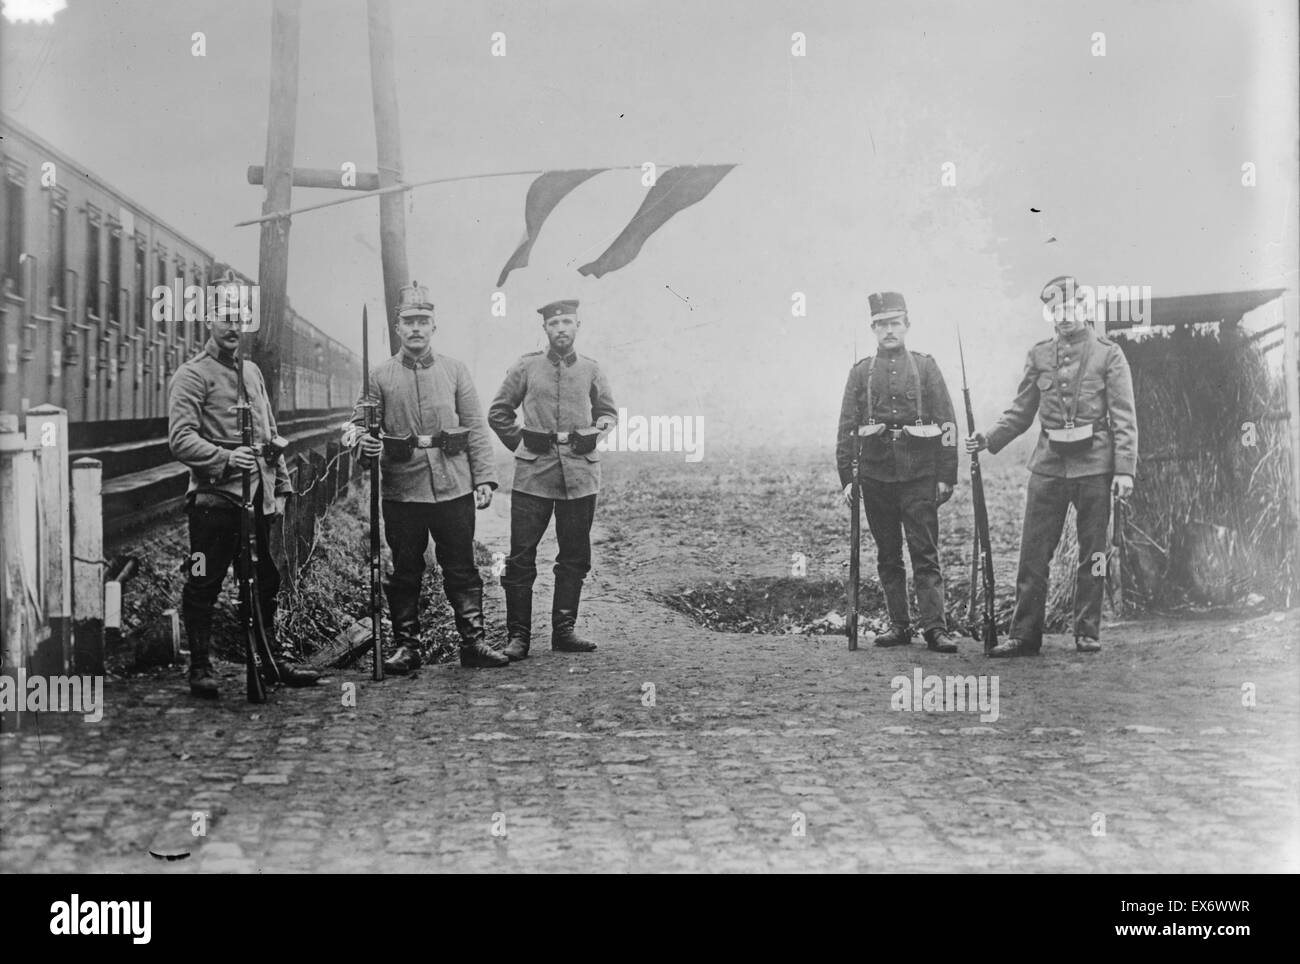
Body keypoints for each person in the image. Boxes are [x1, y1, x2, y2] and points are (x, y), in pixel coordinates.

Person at [965, 275, 1137, 657]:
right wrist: (988, 438)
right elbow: (1021, 411)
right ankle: (1025, 636)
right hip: (1048, 466)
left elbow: (1124, 417)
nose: (1064, 316)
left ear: (1085, 308)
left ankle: (1087, 631)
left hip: (1094, 466)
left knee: (1093, 553)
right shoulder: (1040, 354)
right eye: (1056, 310)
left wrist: (1124, 470)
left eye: (1071, 307)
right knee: (1033, 553)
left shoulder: (1109, 354)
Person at [168, 273, 320, 698]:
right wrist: (224, 458)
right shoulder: (192, 375)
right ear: (208, 321)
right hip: (214, 502)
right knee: (204, 581)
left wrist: (282, 488)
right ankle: (200, 666)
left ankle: (269, 660)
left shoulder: (251, 372)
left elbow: (271, 434)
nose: (233, 326)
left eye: (240, 318)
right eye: (224, 317)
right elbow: (180, 439)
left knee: (264, 581)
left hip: (257, 500)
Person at [345, 282, 506, 671]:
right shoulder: (380, 376)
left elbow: (475, 428)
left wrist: (483, 478)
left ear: (434, 327)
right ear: (398, 328)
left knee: (462, 565)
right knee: (405, 570)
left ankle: (473, 642)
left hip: (453, 485)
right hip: (402, 489)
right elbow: (356, 426)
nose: (416, 328)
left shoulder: (455, 371)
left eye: (423, 321)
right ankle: (407, 647)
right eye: (409, 322)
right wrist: (362, 443)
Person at [488, 299, 618, 659]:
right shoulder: (526, 367)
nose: (560, 328)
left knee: (575, 553)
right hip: (534, 475)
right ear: (544, 329)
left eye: (566, 322)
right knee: (521, 556)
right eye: (554, 323)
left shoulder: (591, 369)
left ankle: (564, 631)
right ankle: (519, 638)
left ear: (578, 325)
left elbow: (607, 412)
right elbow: (498, 412)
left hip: (580, 474)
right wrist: (524, 443)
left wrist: (597, 430)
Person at [836, 291, 960, 652]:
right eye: (881, 324)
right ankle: (899, 625)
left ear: (907, 325)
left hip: (919, 474)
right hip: (875, 476)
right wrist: (847, 478)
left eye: (895, 323)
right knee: (888, 554)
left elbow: (947, 422)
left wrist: (945, 475)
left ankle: (935, 628)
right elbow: (847, 427)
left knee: (925, 552)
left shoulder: (925, 367)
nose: (889, 330)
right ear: (873, 328)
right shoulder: (860, 373)